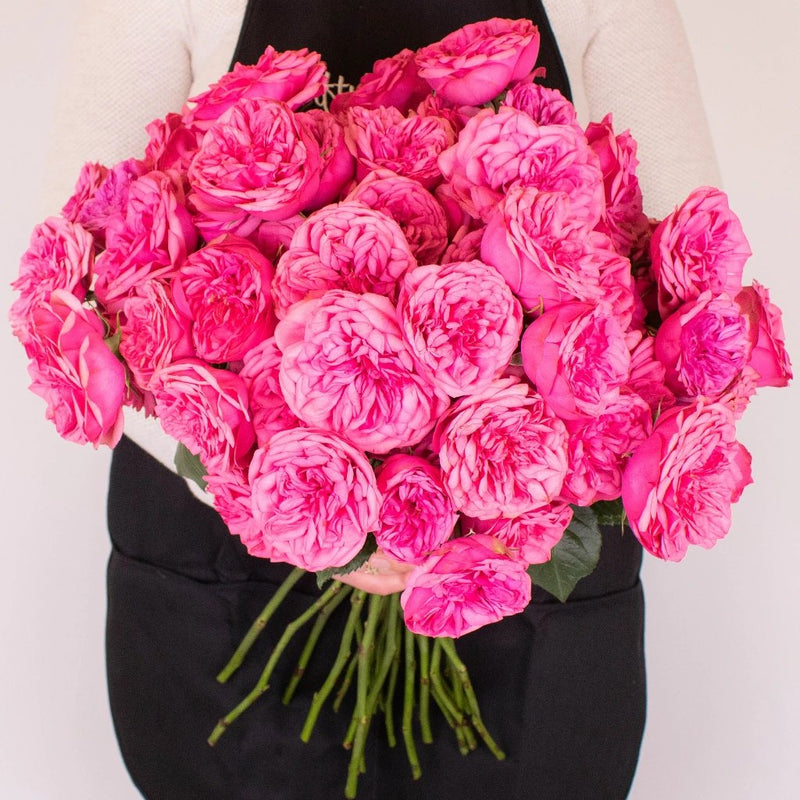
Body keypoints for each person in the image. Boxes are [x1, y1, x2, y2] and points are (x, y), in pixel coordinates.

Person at [46, 1, 720, 798]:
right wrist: (306, 507)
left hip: (525, 584)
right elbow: (70, 287)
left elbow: (691, 286)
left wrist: (464, 504)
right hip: (223, 590)